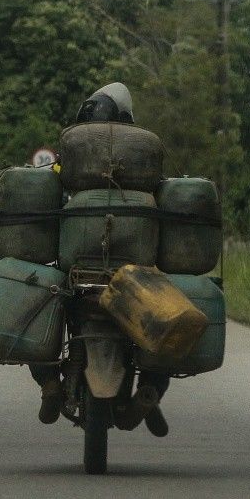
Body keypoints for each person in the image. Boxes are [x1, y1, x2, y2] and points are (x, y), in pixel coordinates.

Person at [30, 81, 171, 436]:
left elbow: (48, 192)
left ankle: (49, 384)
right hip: (136, 270)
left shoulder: (71, 159)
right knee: (166, 320)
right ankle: (149, 392)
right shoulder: (145, 160)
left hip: (77, 269)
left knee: (35, 303)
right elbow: (165, 200)